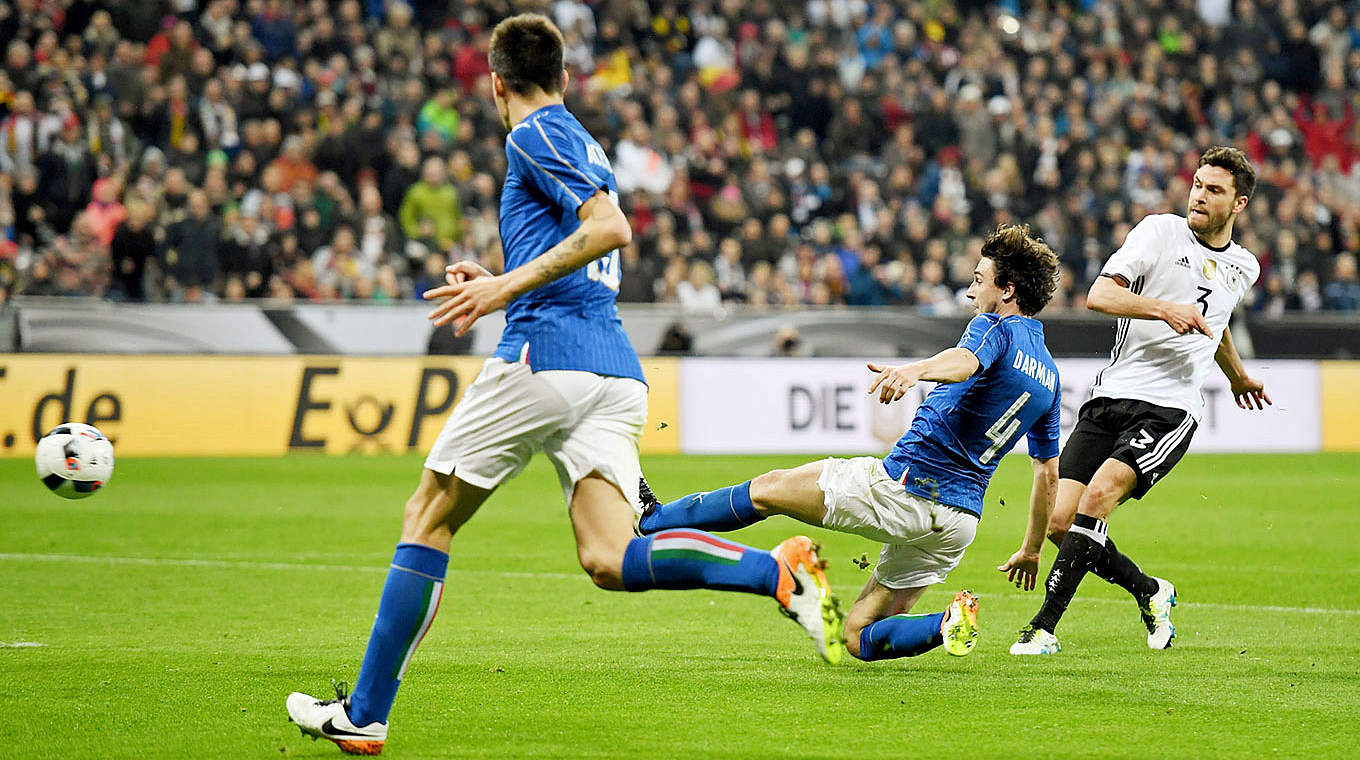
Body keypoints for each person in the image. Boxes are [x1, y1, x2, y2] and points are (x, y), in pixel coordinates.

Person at [285, 15, 838, 755]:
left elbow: (610, 229)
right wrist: (507, 282)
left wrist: (505, 288)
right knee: (609, 558)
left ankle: (365, 713)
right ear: (568, 77)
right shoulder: (582, 139)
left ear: (495, 82)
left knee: (428, 515)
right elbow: (579, 244)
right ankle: (773, 573)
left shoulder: (533, 132)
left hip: (546, 358)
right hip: (612, 368)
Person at [638, 224, 1064, 664]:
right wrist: (1031, 550)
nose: (972, 291)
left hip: (906, 488)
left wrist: (915, 370)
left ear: (1008, 290)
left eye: (980, 279)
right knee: (858, 636)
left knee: (767, 489)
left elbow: (964, 362)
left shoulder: (994, 327)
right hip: (958, 525)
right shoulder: (1049, 375)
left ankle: (653, 521)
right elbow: (1048, 475)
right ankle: (947, 621)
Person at [1010, 146, 1269, 656]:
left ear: (1238, 204)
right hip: (1111, 396)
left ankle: (1042, 628)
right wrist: (1161, 310)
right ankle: (1151, 591)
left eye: (1214, 190)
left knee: (1097, 499)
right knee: (1063, 522)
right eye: (1197, 183)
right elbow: (1099, 295)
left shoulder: (1244, 268)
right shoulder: (1158, 232)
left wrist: (1237, 377)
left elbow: (1213, 327)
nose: (1199, 195)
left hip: (1169, 408)